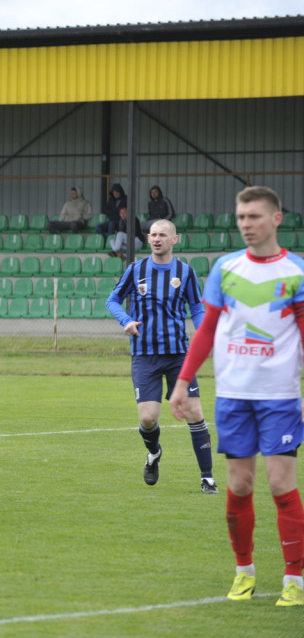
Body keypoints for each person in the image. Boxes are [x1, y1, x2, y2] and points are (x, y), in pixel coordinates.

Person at [170, 186, 304, 608]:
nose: (246, 224)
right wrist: (182, 380)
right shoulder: (225, 268)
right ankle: (243, 571)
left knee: (281, 482)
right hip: (232, 396)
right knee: (240, 484)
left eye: (254, 217)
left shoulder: (296, 272)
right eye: (241, 217)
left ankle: (295, 578)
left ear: (276, 219)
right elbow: (207, 329)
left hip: (280, 397)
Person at [105, 219, 215, 493]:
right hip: (145, 355)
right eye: (153, 234)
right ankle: (153, 454)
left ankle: (207, 478)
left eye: (162, 235)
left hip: (179, 355)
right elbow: (112, 300)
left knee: (193, 411)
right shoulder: (136, 269)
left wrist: (204, 335)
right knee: (148, 419)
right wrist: (126, 321)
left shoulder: (185, 272)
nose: (156, 239)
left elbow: (196, 308)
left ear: (173, 240)